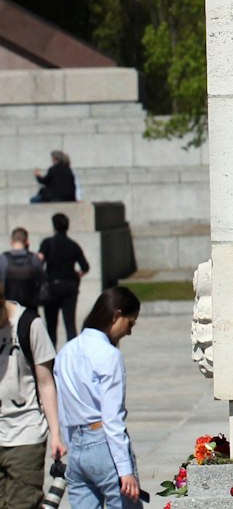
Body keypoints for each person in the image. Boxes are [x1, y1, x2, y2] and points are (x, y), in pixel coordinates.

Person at [52, 287, 139, 509]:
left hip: (77, 445)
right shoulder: (109, 355)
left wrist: (70, 443)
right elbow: (112, 417)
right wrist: (125, 469)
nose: (129, 332)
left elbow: (62, 408)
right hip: (104, 444)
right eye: (130, 323)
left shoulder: (65, 351)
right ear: (116, 315)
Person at [0, 283, 63, 509]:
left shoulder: (29, 324)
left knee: (23, 503)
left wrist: (56, 434)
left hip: (25, 434)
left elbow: (46, 383)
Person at [38, 214, 89, 348]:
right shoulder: (73, 245)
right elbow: (85, 267)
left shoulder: (47, 243)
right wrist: (77, 275)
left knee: (51, 326)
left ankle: (50, 355)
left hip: (52, 287)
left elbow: (39, 261)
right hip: (69, 287)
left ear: (54, 226)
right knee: (70, 324)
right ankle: (73, 354)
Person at [1, 231, 42, 332]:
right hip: (31, 307)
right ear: (27, 242)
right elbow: (41, 280)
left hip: (9, 308)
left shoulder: (3, 259)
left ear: (11, 241)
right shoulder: (34, 258)